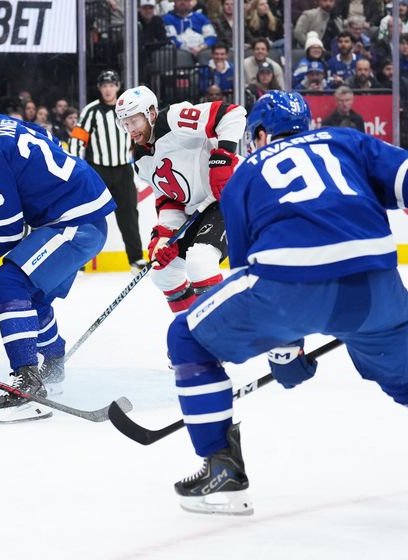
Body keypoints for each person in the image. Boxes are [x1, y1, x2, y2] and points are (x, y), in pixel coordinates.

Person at [164, 90, 408, 515]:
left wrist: (284, 351)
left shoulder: (244, 174)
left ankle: (223, 473)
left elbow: (251, 276)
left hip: (290, 288)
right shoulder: (344, 141)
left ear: (259, 134)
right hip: (377, 289)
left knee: (186, 337)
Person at [0, 91, 117, 422]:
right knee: (30, 295)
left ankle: (28, 385)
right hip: (79, 216)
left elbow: (5, 232)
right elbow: (43, 136)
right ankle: (53, 363)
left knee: (6, 283)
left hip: (74, 223)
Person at [116, 85, 246, 313]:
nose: (131, 129)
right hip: (201, 208)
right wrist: (165, 235)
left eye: (134, 121)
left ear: (151, 113)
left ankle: (218, 337)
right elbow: (169, 200)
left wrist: (222, 158)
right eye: (125, 124)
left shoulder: (173, 119)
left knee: (201, 261)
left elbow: (233, 114)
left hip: (232, 194)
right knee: (162, 271)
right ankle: (189, 329)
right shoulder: (140, 158)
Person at [68, 70, 144, 270]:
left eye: (111, 85)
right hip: (98, 171)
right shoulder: (91, 111)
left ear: (118, 87)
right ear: (100, 88)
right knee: (89, 215)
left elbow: (140, 134)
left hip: (123, 169)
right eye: (104, 86)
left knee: (129, 215)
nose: (108, 89)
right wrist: (78, 169)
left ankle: (135, 258)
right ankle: (81, 261)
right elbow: (77, 140)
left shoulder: (128, 108)